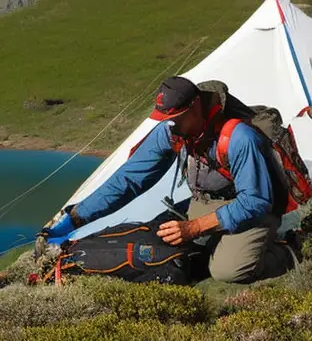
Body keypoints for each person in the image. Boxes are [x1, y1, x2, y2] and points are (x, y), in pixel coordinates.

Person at [44, 76, 301, 284]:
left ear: (195, 108)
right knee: (157, 245)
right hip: (204, 203)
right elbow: (130, 179)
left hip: (251, 210)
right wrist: (77, 217)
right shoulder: (172, 130)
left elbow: (256, 200)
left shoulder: (239, 137)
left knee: (228, 271)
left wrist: (195, 227)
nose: (169, 126)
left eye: (174, 119)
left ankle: (290, 248)